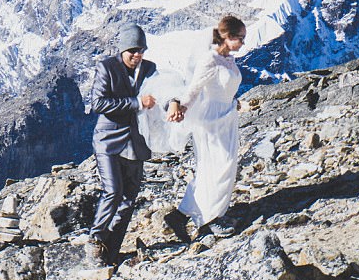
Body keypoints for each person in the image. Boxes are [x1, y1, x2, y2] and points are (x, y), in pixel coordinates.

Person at [163, 15, 246, 241]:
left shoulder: (229, 60)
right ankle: (210, 220)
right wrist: (181, 108)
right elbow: (194, 89)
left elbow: (224, 88)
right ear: (227, 37)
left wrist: (235, 102)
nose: (243, 43)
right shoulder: (209, 59)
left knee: (219, 167)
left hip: (227, 116)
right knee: (219, 166)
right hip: (211, 120)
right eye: (240, 38)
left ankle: (180, 216)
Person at [86, 23, 158, 267]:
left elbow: (166, 87)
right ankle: (95, 241)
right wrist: (136, 103)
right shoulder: (107, 68)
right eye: (133, 50)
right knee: (113, 191)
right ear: (123, 49)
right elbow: (98, 103)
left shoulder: (149, 69)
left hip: (136, 143)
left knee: (129, 199)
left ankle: (111, 251)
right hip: (108, 141)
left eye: (141, 50)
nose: (137, 55)